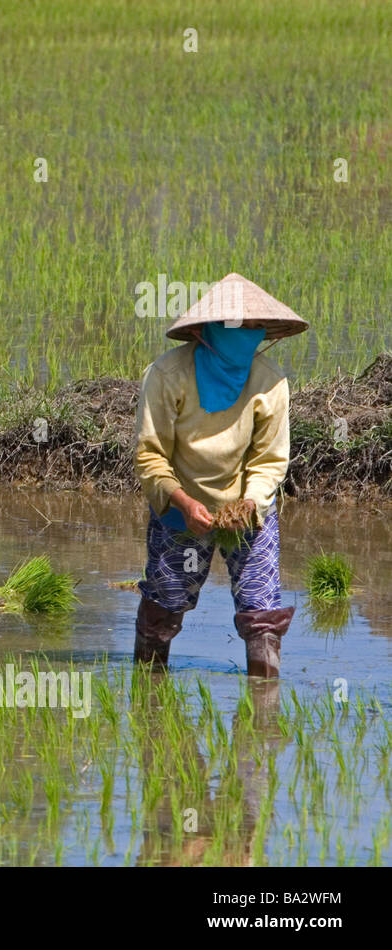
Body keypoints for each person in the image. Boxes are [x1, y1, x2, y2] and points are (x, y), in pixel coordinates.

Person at [133, 272, 308, 678]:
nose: (245, 334)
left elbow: (269, 460)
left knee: (262, 615)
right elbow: (151, 457)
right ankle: (148, 701)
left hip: (247, 509)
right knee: (164, 606)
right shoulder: (167, 375)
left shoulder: (270, 381)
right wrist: (184, 502)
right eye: (234, 326)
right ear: (206, 330)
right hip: (181, 508)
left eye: (253, 327)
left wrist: (251, 501)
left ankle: (262, 717)